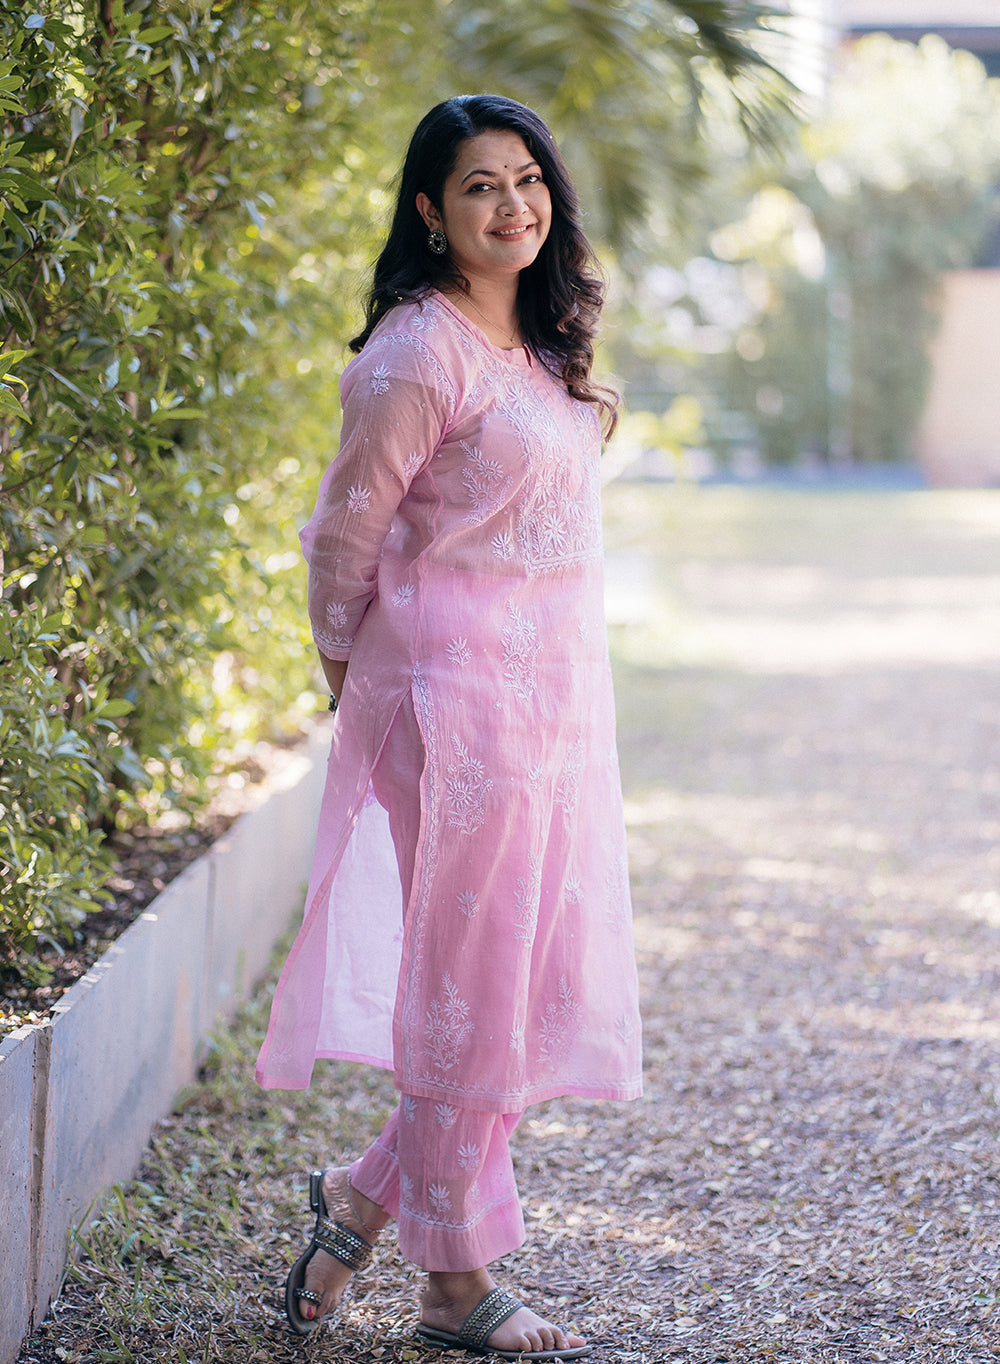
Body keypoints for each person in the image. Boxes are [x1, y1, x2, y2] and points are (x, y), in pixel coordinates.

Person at [255, 93, 642, 1361]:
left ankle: (362, 1198)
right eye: (480, 186)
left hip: (551, 712)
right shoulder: (418, 351)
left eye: (527, 180)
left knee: (526, 984)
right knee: (474, 986)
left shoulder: (535, 343)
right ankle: (454, 1280)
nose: (512, 205)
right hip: (451, 713)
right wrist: (356, 682)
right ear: (429, 211)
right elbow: (344, 533)